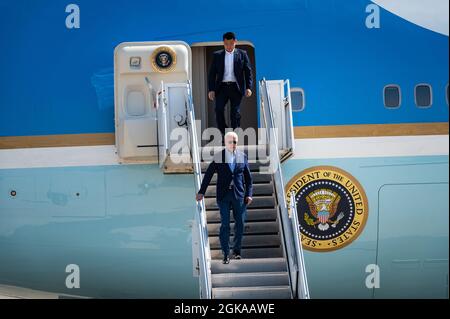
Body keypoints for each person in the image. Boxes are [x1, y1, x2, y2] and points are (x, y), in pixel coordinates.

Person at [196, 132, 253, 264]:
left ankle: (237, 251)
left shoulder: (242, 156)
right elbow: (208, 175)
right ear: (225, 142)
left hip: (239, 196)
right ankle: (226, 253)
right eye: (230, 142)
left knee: (240, 224)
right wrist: (201, 192)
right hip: (223, 195)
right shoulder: (218, 157)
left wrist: (249, 194)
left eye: (235, 142)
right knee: (225, 225)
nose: (233, 144)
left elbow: (249, 179)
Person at [208, 32, 254, 137]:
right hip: (221, 88)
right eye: (226, 44)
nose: (229, 46)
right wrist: (211, 89)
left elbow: (248, 72)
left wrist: (248, 87)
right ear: (223, 43)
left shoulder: (242, 54)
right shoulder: (217, 55)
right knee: (218, 109)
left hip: (236, 87)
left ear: (235, 42)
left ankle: (234, 135)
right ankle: (225, 133)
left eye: (231, 43)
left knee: (235, 113)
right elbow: (212, 74)